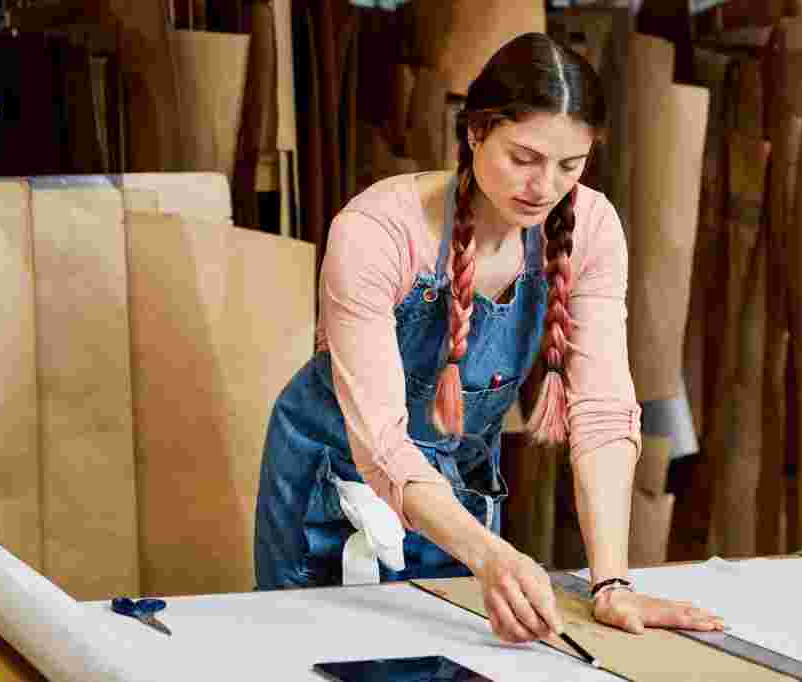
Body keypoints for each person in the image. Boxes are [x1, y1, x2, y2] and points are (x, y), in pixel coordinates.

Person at [255, 31, 724, 643]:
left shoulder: (592, 227)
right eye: (523, 158)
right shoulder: (378, 231)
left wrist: (611, 583)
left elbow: (603, 413)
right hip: (337, 477)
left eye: (570, 165)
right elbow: (382, 445)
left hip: (455, 483)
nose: (544, 187)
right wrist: (489, 553)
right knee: (323, 656)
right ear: (475, 131)